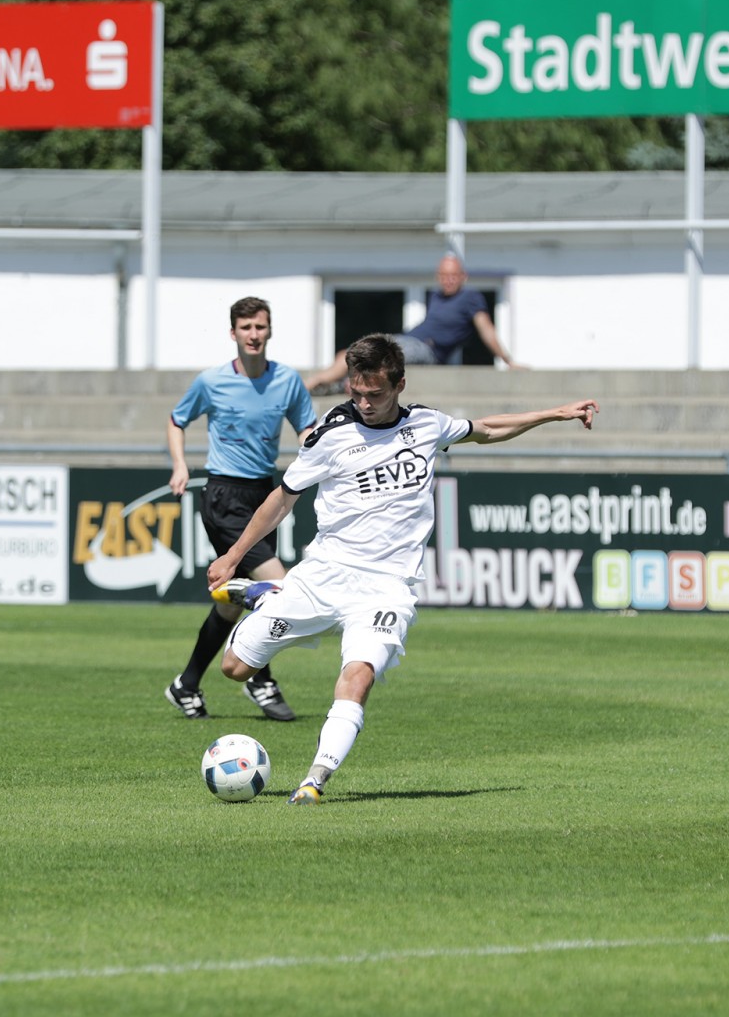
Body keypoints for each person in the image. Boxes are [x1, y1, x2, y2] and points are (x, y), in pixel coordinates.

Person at [208, 333, 596, 804]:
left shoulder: (428, 425)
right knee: (234, 668)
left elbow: (487, 429)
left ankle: (314, 780)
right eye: (357, 392)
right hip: (324, 575)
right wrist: (232, 557)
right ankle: (265, 593)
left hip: (386, 589)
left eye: (376, 394)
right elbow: (282, 499)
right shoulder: (332, 437)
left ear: (399, 385)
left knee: (359, 674)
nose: (365, 403)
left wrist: (554, 413)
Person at [163, 297, 318, 722]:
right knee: (278, 586)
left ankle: (187, 683)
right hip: (223, 498)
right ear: (233, 333)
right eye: (246, 327)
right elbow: (177, 420)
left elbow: (307, 429)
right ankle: (260, 677)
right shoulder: (211, 381)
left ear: (270, 331)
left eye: (260, 327)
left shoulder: (287, 381)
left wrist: (316, 449)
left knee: (230, 606)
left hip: (263, 498)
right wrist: (180, 464)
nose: (254, 335)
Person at [303, 254, 524, 392]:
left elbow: (486, 329)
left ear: (463, 276)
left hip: (426, 349)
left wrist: (507, 361)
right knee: (348, 353)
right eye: (444, 275)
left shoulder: (470, 297)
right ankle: (339, 384)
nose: (448, 280)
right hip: (410, 339)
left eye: (454, 275)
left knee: (362, 354)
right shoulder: (437, 296)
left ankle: (314, 382)